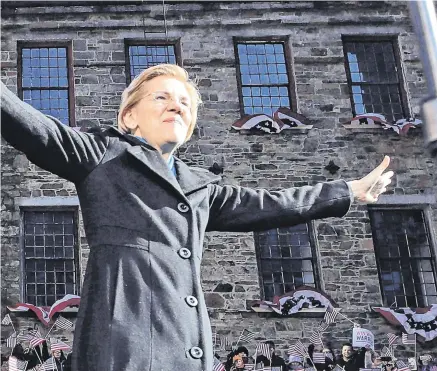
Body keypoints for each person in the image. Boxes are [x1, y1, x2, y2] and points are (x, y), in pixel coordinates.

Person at [1, 64, 394, 371]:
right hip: (124, 346)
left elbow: (272, 203)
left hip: (188, 348)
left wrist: (348, 190)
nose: (176, 105)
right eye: (161, 97)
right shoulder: (103, 157)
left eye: (185, 103)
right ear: (130, 117)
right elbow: (30, 125)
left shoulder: (199, 187)